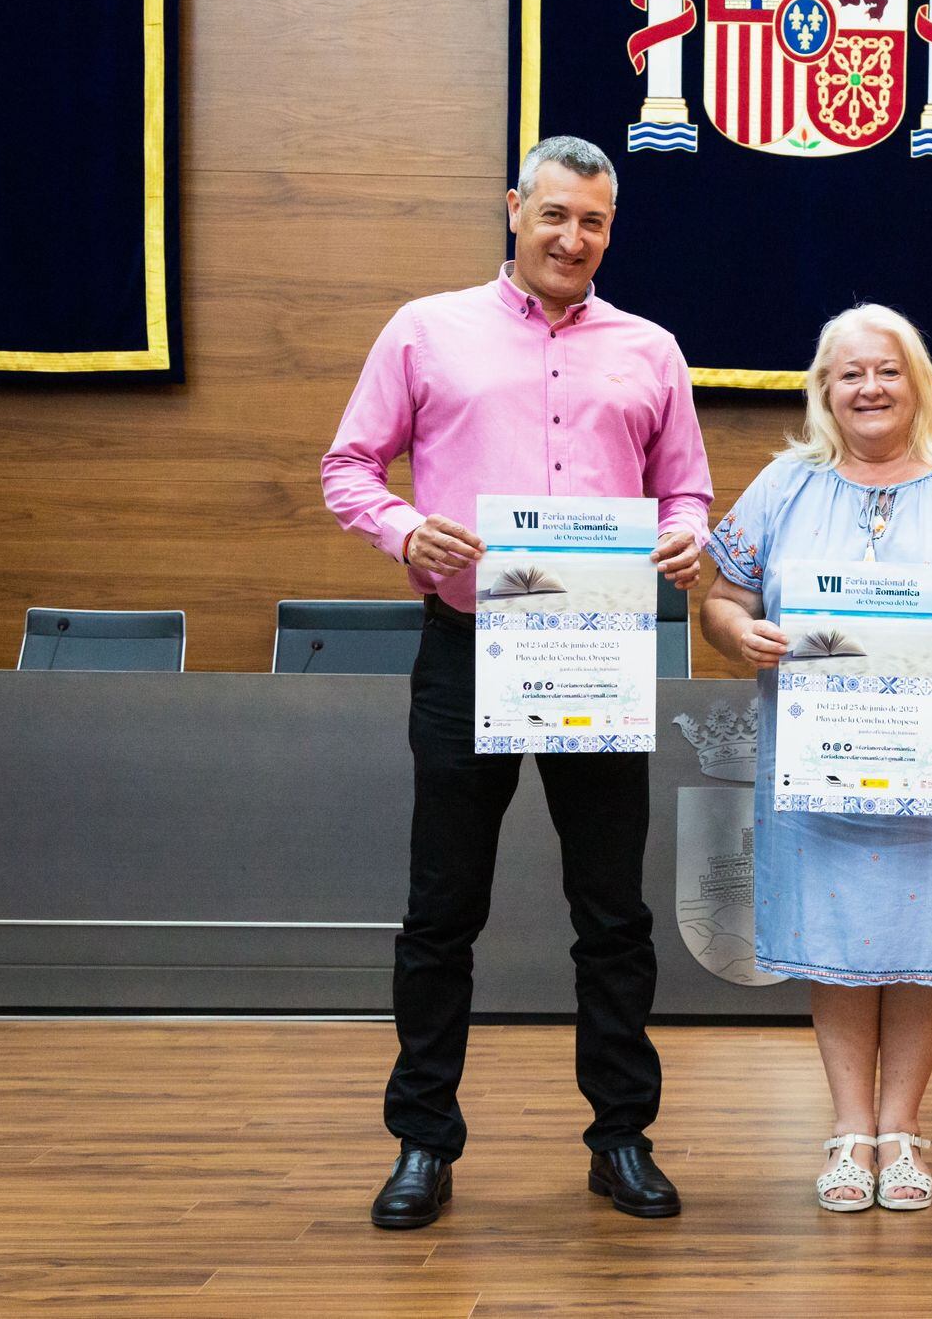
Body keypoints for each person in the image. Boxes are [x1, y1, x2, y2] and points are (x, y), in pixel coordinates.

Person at [321, 136, 713, 1227]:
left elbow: (684, 492)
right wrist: (405, 531)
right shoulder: (423, 329)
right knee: (442, 909)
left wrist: (683, 542)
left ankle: (621, 1138)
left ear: (608, 228)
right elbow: (348, 468)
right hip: (466, 648)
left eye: (590, 221)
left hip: (596, 651)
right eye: (552, 214)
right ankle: (421, 1144)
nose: (570, 237)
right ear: (512, 209)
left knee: (612, 912)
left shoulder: (650, 348)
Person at [700, 305, 932, 1213]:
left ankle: (901, 1129)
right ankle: (848, 1129)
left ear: (919, 382)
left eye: (888, 370)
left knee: (924, 934)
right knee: (838, 938)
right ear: (825, 388)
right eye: (850, 372)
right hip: (823, 767)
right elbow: (721, 594)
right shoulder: (786, 484)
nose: (870, 387)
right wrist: (742, 634)